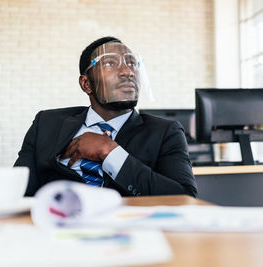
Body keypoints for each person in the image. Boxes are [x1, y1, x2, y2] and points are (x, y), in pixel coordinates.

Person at [14, 36, 197, 197]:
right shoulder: (46, 123)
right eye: (110, 63)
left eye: (132, 63)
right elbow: (18, 191)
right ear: (86, 84)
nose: (127, 72)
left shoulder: (166, 132)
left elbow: (184, 198)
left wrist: (110, 152)